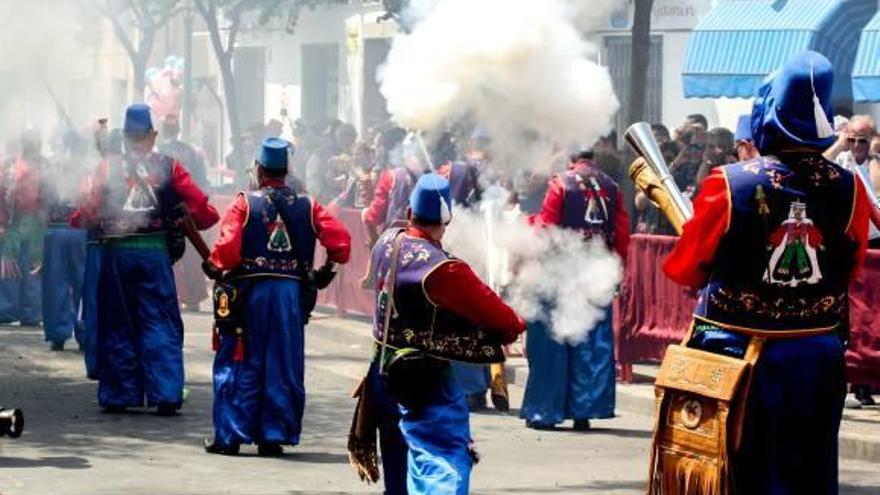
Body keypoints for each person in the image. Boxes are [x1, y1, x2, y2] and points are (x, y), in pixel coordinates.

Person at [659, 51, 869, 493]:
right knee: (806, 476)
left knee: (739, 477)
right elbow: (848, 265)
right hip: (817, 355)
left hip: (741, 357)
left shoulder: (730, 181)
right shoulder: (850, 186)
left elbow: (685, 267)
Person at [361, 173, 525, 494]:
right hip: (422, 378)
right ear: (447, 219)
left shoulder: (386, 240)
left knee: (398, 468)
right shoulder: (443, 268)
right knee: (443, 458)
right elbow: (499, 316)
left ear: (410, 213)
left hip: (381, 373)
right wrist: (515, 325)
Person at [201, 137, 351, 455]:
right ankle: (273, 435)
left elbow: (227, 251)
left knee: (240, 359)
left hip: (249, 294)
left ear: (258, 169)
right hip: (289, 296)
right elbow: (341, 242)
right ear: (287, 169)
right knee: (283, 363)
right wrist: (327, 272)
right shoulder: (308, 205)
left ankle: (230, 436)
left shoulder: (244, 202)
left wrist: (214, 265)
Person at [72, 104, 219, 415]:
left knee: (117, 321)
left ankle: (118, 394)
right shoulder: (169, 166)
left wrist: (80, 218)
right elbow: (200, 207)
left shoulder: (108, 168)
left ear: (125, 136)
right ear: (152, 135)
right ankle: (166, 392)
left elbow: (87, 208)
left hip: (117, 254)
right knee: (160, 322)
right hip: (155, 253)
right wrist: (200, 220)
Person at [520, 150, 629, 430]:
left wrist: (527, 228)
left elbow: (546, 229)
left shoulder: (561, 183)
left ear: (571, 159)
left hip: (562, 269)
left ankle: (546, 412)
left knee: (553, 340)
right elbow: (622, 234)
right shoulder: (611, 185)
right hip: (597, 270)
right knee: (590, 342)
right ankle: (585, 411)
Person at [41, 132, 89, 351]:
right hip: (80, 231)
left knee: (55, 283)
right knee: (83, 284)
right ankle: (85, 334)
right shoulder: (89, 171)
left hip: (55, 230)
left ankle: (57, 334)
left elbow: (41, 200)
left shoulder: (52, 170)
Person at [0, 129, 48, 326]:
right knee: (30, 268)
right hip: (31, 225)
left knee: (14, 267)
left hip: (16, 224)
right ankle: (30, 314)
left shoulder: (11, 167)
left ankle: (10, 312)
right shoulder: (43, 167)